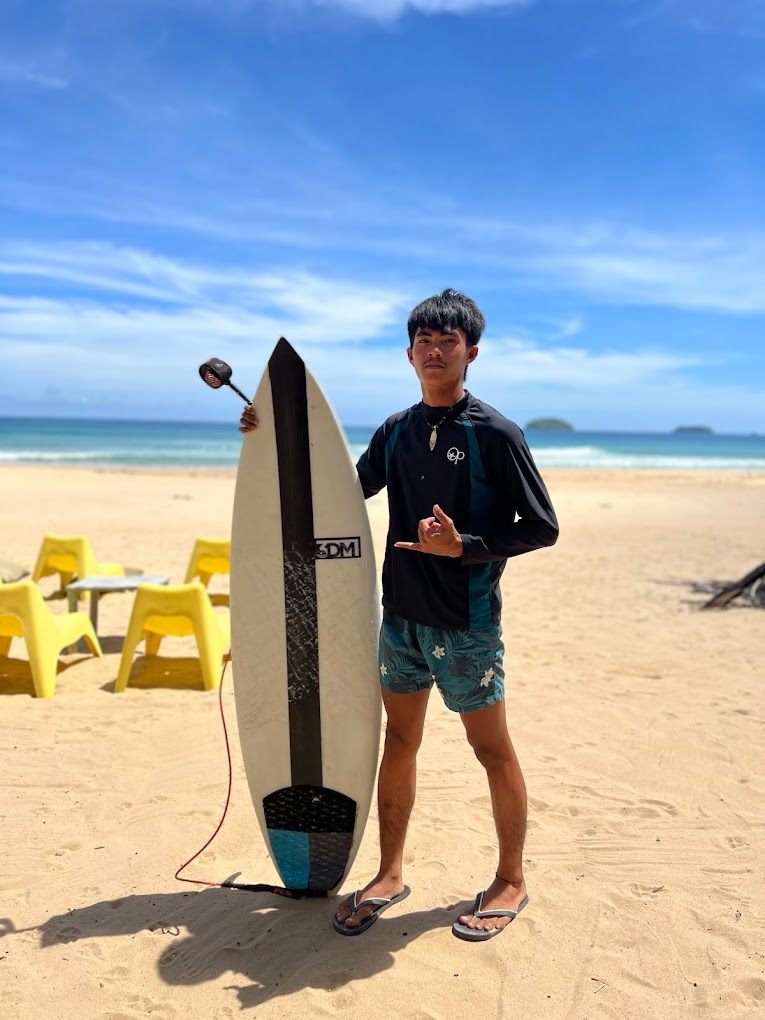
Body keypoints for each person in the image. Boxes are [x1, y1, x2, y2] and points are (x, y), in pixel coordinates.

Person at [239, 288, 558, 941]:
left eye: (448, 342)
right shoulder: (396, 432)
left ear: (471, 352)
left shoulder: (495, 434)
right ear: (409, 354)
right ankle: (388, 873)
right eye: (424, 342)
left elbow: (542, 526)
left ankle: (511, 879)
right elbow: (338, 490)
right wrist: (269, 437)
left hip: (466, 623)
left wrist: (464, 546)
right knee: (400, 742)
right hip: (401, 621)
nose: (434, 351)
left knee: (490, 748)